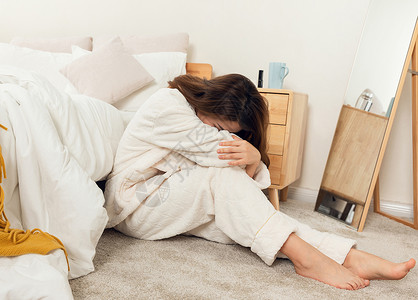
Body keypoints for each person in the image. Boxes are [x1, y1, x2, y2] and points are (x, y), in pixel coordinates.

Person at [104, 74, 415, 290]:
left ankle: (348, 256)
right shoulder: (167, 105)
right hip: (137, 204)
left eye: (231, 132)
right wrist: (252, 155)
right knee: (225, 178)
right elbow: (224, 158)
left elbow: (241, 176)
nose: (222, 136)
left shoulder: (199, 116)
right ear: (208, 100)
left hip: (178, 197)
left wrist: (252, 157)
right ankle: (308, 260)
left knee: (255, 221)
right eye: (215, 127)